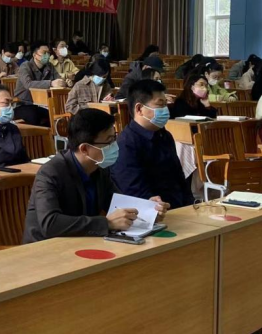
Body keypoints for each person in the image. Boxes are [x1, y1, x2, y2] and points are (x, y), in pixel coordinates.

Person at [22, 108, 168, 243]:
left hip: (82, 242)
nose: (115, 146)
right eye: (108, 141)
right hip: (46, 248)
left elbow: (117, 203)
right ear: (85, 149)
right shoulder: (50, 172)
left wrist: (147, 210)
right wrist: (107, 223)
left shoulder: (99, 167)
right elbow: (49, 223)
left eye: (114, 139)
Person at [111, 79, 193, 208]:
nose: (165, 110)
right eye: (160, 105)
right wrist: (157, 208)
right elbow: (134, 190)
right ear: (139, 109)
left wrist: (189, 204)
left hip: (179, 207)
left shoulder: (165, 135)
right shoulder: (126, 144)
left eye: (166, 104)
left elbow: (179, 176)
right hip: (153, 212)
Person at [14, 41, 65, 127]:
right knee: (33, 115)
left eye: (48, 53)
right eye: (44, 53)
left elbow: (58, 78)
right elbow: (28, 84)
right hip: (24, 104)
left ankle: (50, 134)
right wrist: (51, 83)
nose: (47, 55)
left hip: (43, 104)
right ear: (35, 55)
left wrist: (64, 82)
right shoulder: (25, 66)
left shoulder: (49, 66)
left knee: (56, 115)